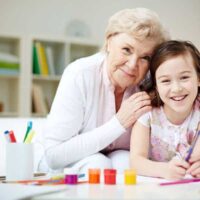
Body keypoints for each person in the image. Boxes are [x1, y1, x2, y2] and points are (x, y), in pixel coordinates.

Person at [39, 8, 169, 173]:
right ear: (109, 41)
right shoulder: (79, 74)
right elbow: (53, 156)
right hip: (66, 163)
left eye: (145, 58)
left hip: (114, 159)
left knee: (125, 164)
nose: (132, 65)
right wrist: (119, 123)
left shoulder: (151, 83)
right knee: (98, 166)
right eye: (127, 50)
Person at [130, 40, 200, 180]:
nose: (177, 88)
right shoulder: (147, 113)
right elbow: (135, 162)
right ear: (156, 86)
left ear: (198, 78)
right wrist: (164, 170)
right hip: (156, 186)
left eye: (184, 77)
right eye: (166, 81)